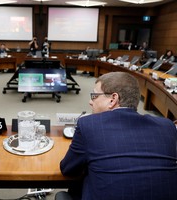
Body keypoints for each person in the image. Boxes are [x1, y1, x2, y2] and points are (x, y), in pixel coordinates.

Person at [58, 72, 177, 200]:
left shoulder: (88, 124)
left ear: (113, 99)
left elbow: (68, 169)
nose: (90, 102)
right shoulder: (167, 126)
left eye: (94, 96)